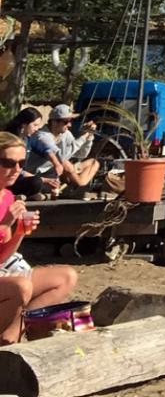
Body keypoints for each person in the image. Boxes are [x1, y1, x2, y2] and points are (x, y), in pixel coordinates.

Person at [0, 131, 78, 344]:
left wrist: (19, 232)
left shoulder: (7, 197)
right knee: (21, 287)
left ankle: (12, 335)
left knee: (66, 277)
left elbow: (2, 256)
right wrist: (6, 223)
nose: (17, 169)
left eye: (21, 163)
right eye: (8, 162)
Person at [44, 105, 99, 190]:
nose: (69, 125)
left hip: (63, 170)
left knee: (94, 163)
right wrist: (83, 137)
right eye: (66, 122)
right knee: (65, 163)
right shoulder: (44, 136)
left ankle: (77, 186)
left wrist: (89, 136)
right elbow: (61, 156)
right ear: (54, 122)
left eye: (71, 121)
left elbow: (81, 154)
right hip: (47, 171)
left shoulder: (66, 134)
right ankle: (80, 187)